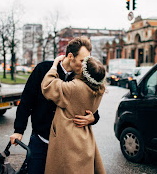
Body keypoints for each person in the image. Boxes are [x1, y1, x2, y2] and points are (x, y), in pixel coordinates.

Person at [10, 36, 100, 174]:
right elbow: (27, 100)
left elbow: (91, 106)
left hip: (66, 145)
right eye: (82, 61)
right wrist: (18, 130)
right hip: (40, 139)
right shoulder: (43, 69)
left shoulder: (83, 78)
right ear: (70, 56)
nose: (85, 65)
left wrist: (93, 118)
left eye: (87, 61)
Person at [41, 55, 106, 174]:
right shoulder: (100, 89)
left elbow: (48, 85)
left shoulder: (74, 88)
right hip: (85, 138)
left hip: (69, 139)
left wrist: (55, 65)